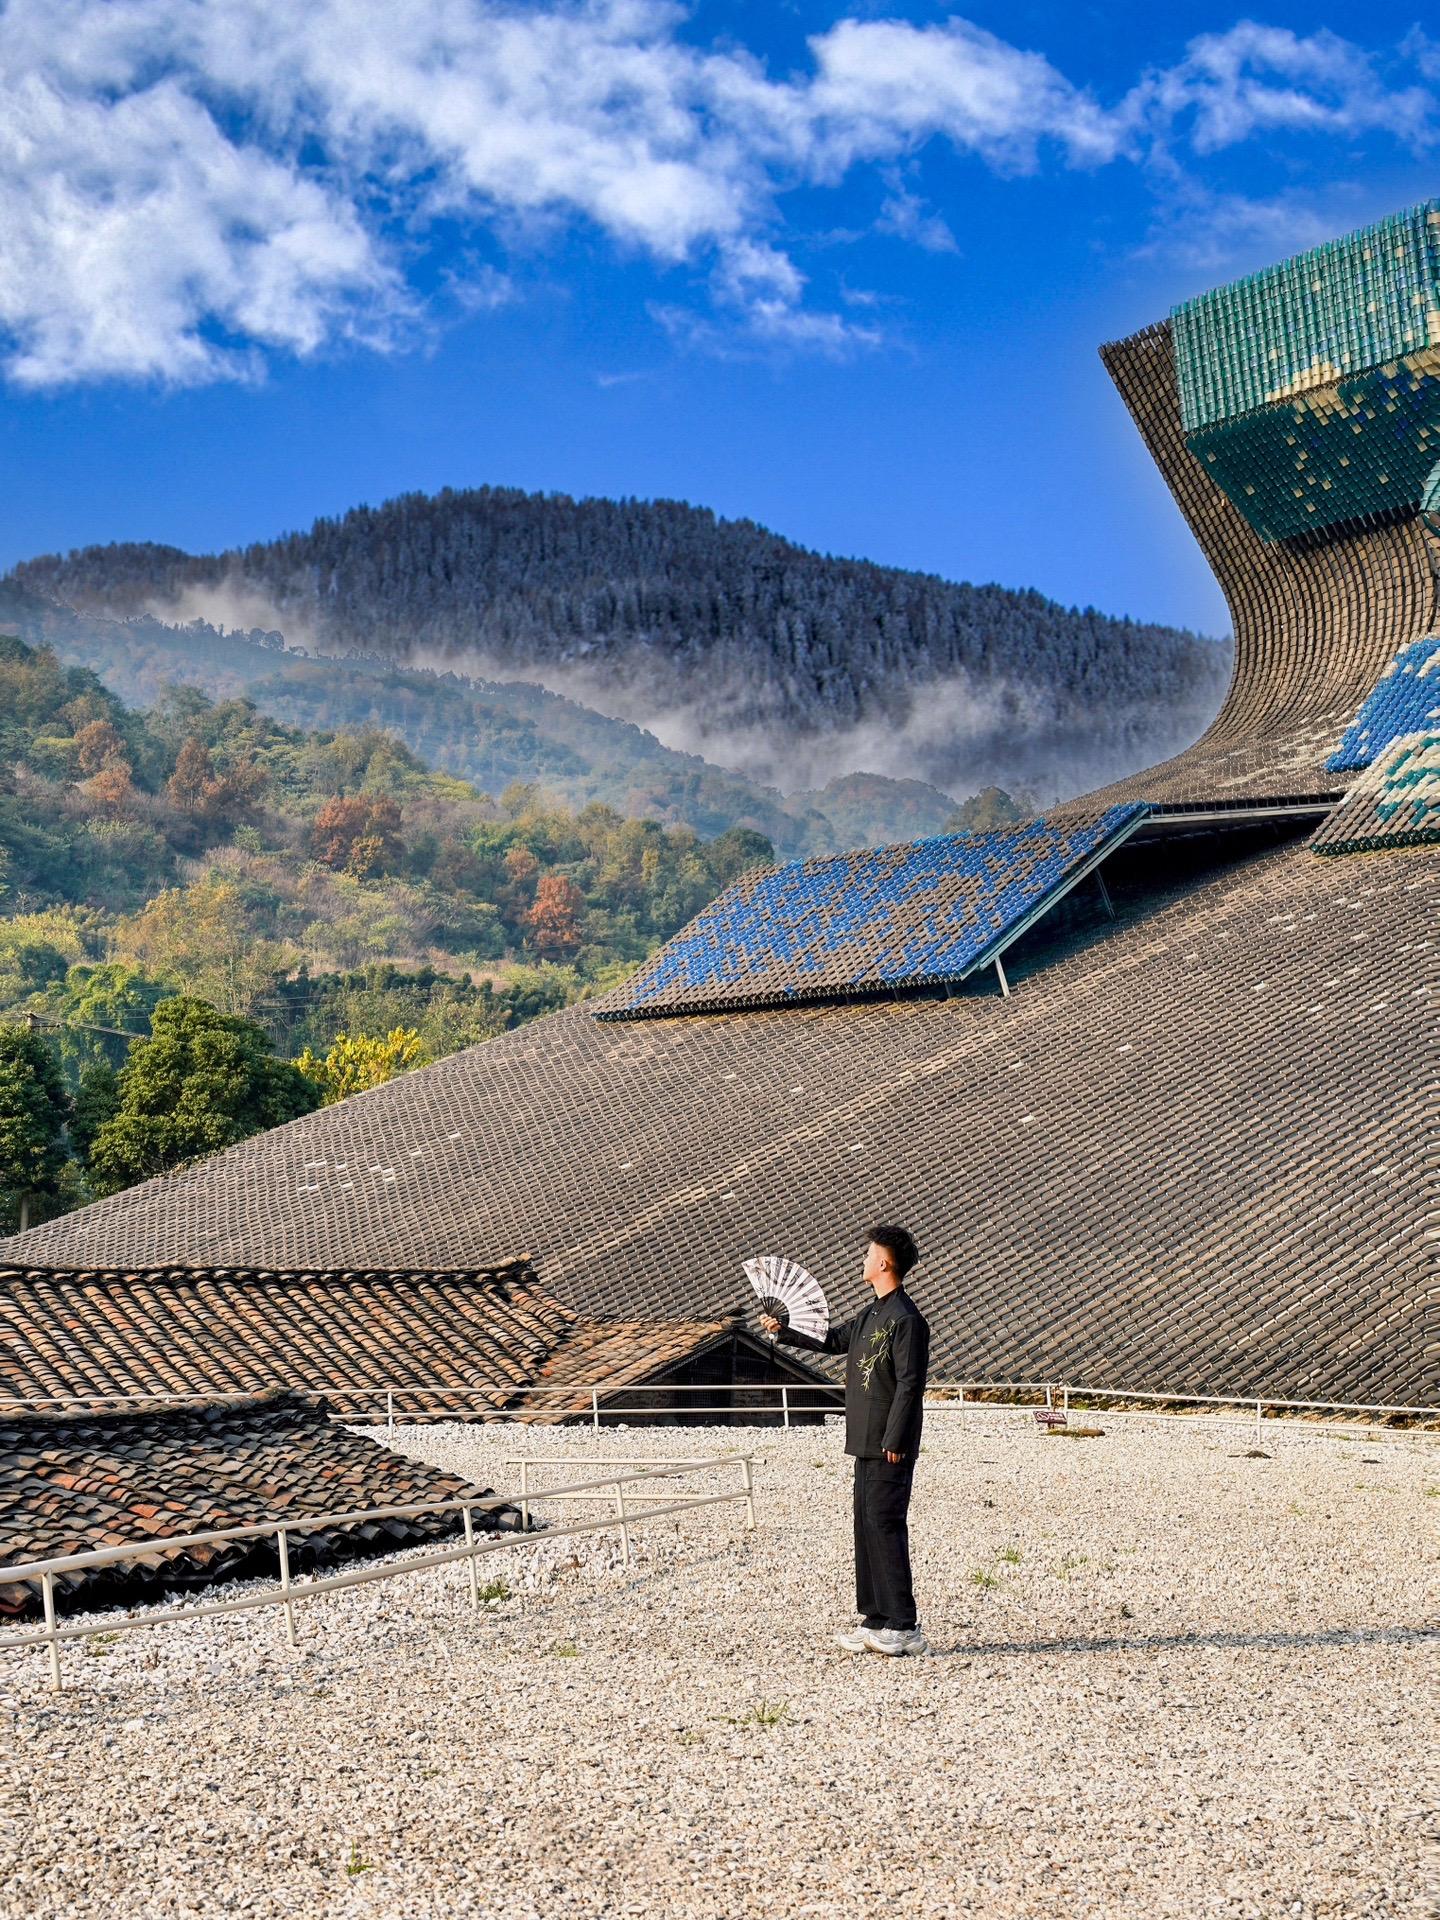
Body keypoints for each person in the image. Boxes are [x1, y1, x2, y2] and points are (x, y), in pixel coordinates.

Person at [762, 1224, 931, 1657]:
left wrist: (896, 1437)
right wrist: (784, 1330)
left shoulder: (908, 1320)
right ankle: (875, 1618)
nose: (863, 1259)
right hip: (863, 1436)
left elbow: (910, 1386)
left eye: (868, 1252)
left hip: (889, 1441)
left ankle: (903, 1624)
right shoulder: (871, 1314)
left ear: (884, 1262)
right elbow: (833, 1340)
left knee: (886, 1522)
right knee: (866, 1523)